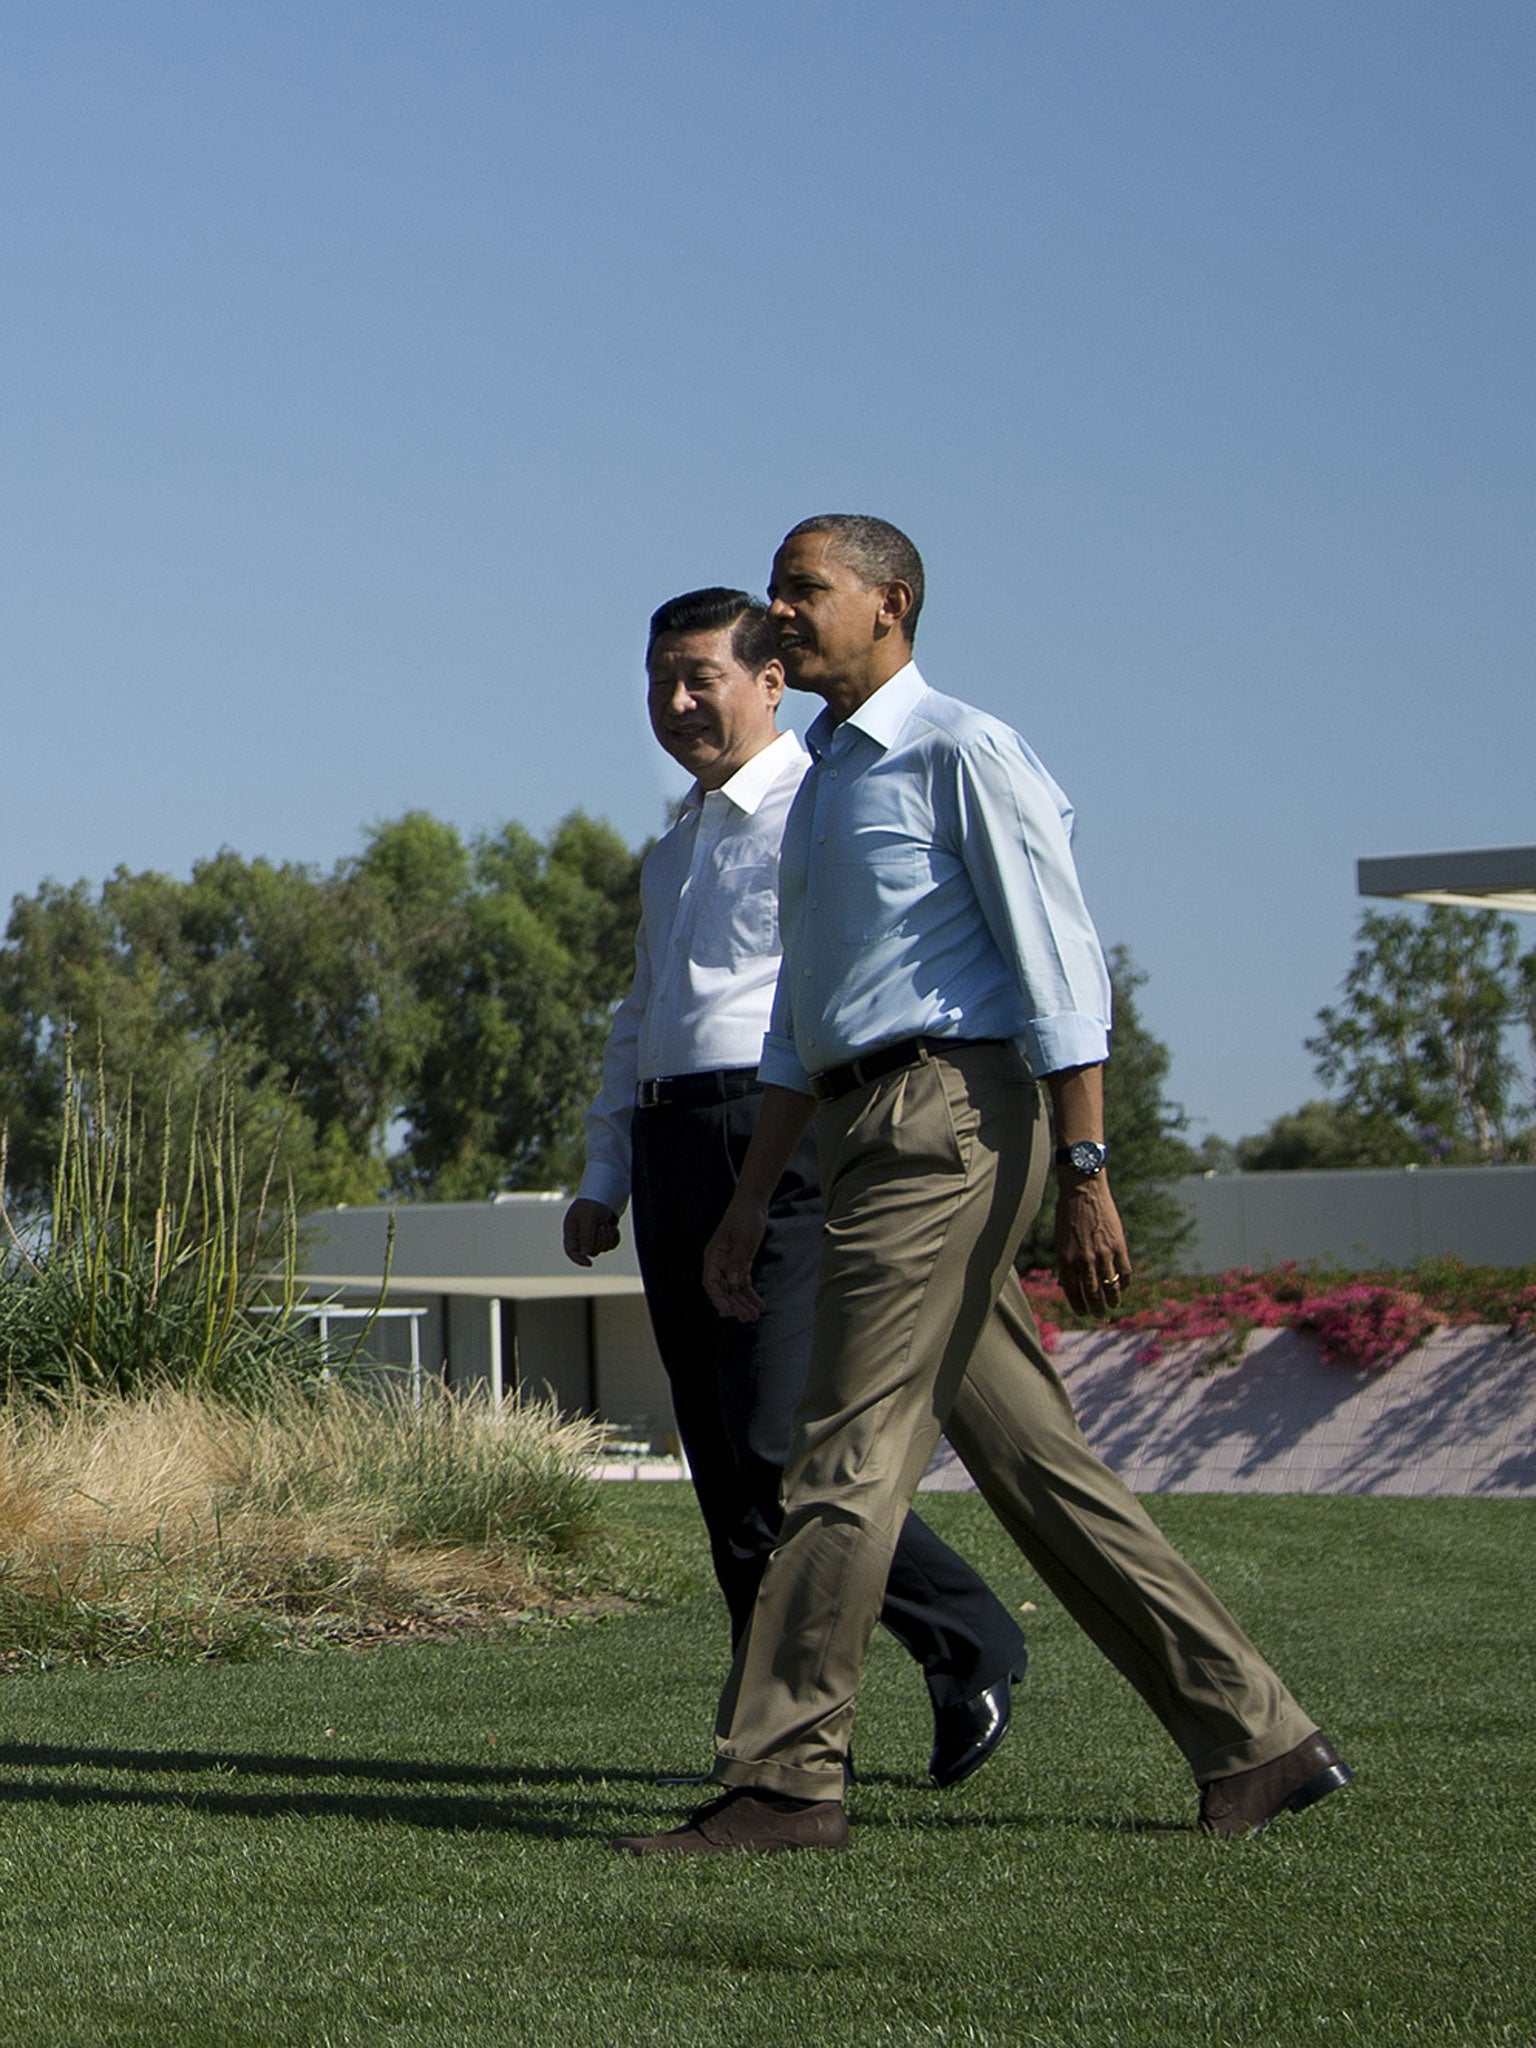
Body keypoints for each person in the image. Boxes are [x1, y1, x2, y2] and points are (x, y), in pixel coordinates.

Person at [612, 518, 1353, 1855]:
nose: (781, 612)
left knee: (842, 1455)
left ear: (890, 605)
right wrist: (748, 1196)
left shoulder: (965, 750)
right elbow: (798, 1022)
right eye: (774, 591)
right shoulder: (826, 776)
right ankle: (1261, 1740)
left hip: (953, 1116)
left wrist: (1087, 1166)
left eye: (806, 590)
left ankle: (785, 1781)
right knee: (1039, 1464)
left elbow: (1062, 967)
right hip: (856, 1125)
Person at [564, 585, 1028, 1788]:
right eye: (659, 679)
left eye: (700, 676)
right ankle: (766, 1742)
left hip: (776, 1137)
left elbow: (816, 1004)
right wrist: (605, 1171)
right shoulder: (677, 842)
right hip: (671, 1143)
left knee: (779, 1444)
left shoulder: (813, 813)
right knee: (721, 1465)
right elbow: (638, 1015)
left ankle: (967, 1634)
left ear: (771, 680)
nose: (675, 702)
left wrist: (764, 1169)